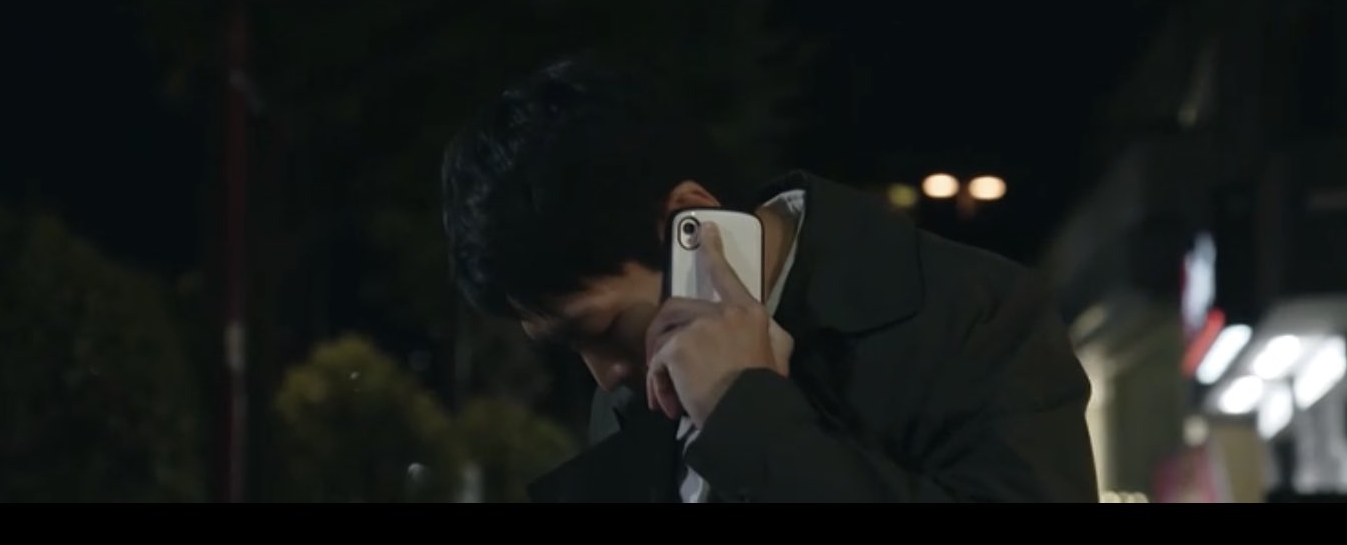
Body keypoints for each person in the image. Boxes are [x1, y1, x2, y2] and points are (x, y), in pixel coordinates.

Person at [439, 54, 1098, 502]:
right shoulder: (634, 393)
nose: (605, 375)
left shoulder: (972, 313)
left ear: (689, 218)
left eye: (606, 327)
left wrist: (749, 417)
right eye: (568, 346)